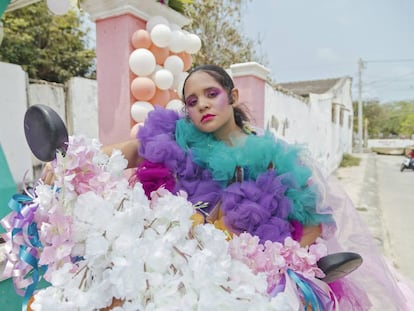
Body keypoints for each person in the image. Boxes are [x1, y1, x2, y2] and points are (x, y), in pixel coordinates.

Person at [42, 64, 410, 309]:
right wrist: (72, 159)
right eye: (192, 100)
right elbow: (132, 150)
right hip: (173, 271)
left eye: (211, 93)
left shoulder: (272, 155)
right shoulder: (176, 139)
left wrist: (281, 271)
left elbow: (311, 223)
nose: (201, 103)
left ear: (232, 97)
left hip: (244, 284)